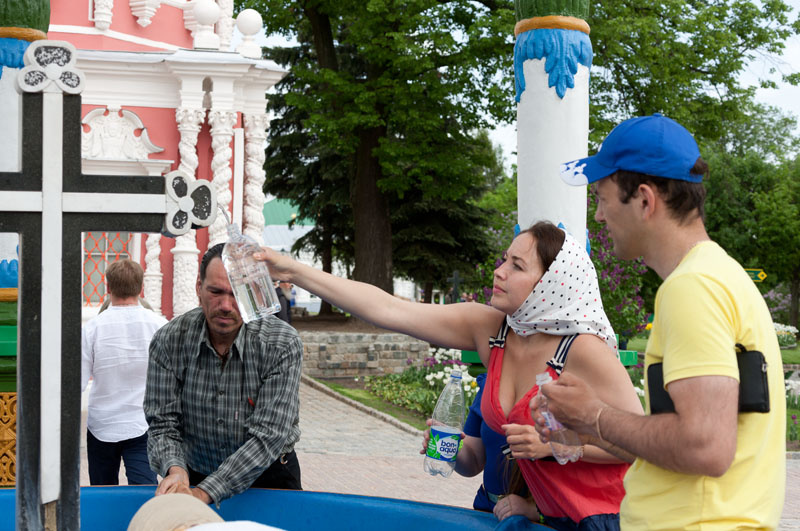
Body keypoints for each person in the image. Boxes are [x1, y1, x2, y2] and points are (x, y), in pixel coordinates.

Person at [255, 221, 643, 530]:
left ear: (551, 285)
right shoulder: (494, 330)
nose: (500, 271)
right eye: (504, 260)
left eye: (517, 265)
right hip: (537, 517)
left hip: (601, 519)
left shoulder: (584, 350)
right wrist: (291, 270)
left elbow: (639, 444)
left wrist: (557, 446)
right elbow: (389, 309)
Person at [535, 113, 786, 529]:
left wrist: (596, 414)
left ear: (645, 200)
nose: (598, 216)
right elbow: (685, 444)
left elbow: (706, 448)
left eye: (602, 198)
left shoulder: (692, 288)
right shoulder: (719, 275)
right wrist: (586, 424)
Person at [145, 243, 303, 506]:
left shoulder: (281, 343)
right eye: (216, 292)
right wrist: (175, 468)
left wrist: (203, 494)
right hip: (193, 474)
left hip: (269, 476)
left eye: (237, 294)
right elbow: (162, 423)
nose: (226, 305)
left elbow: (268, 436)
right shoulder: (169, 340)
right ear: (199, 287)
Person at [81, 258, 167, 485]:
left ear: (108, 287)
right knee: (143, 493)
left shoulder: (92, 329)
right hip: (142, 422)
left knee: (102, 492)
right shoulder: (159, 326)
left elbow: (77, 382)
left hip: (102, 423)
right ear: (141, 287)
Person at [420, 372, 539, 522]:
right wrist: (450, 444)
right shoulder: (491, 382)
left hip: (537, 522)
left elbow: (568, 455)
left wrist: (534, 509)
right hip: (487, 510)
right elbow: (474, 462)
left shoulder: (554, 383)